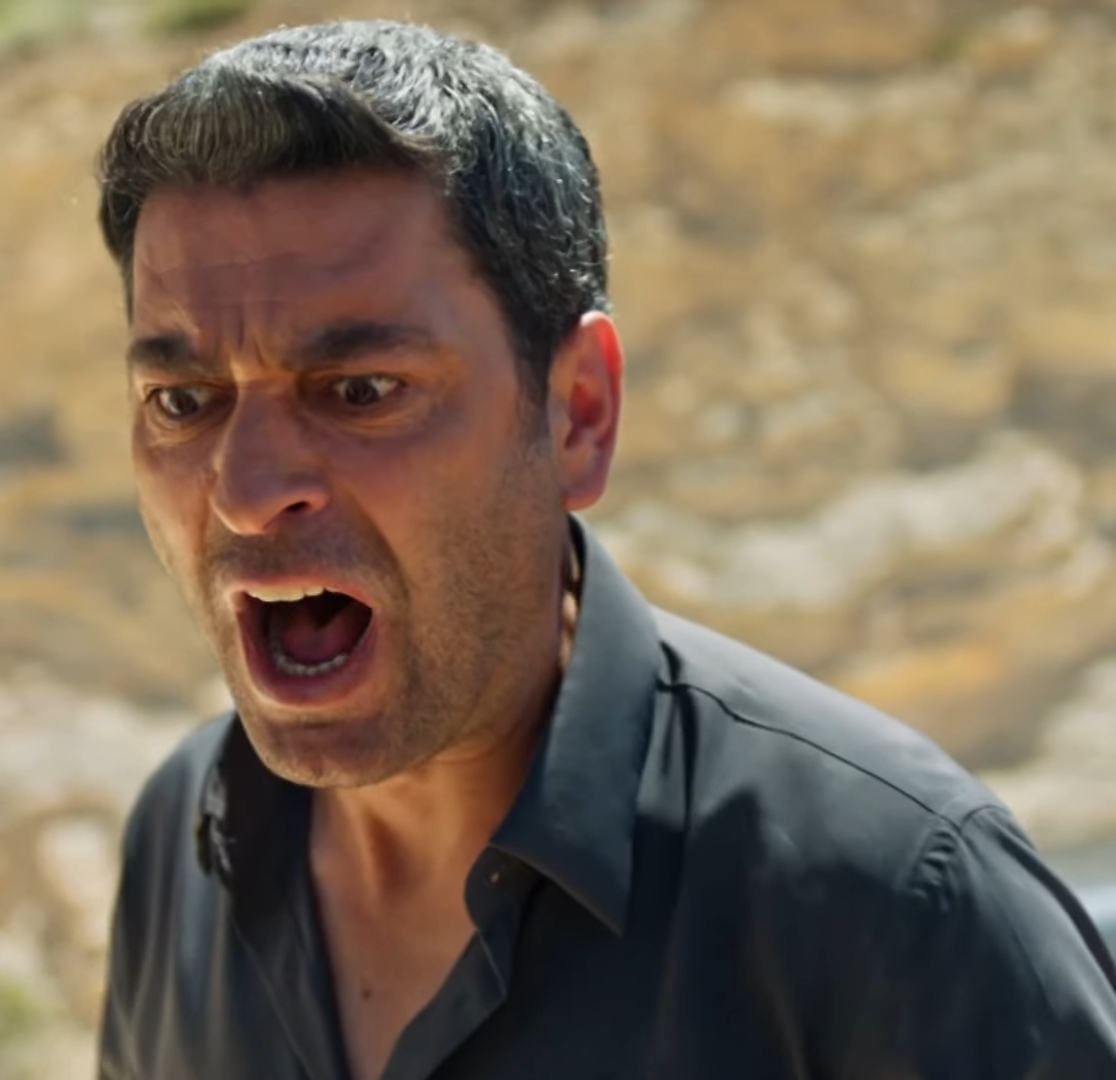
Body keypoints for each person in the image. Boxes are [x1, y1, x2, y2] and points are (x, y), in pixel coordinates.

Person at [94, 19, 1116, 1080]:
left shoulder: (905, 905)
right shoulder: (184, 840)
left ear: (578, 412)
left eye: (361, 391)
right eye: (182, 400)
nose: (248, 493)